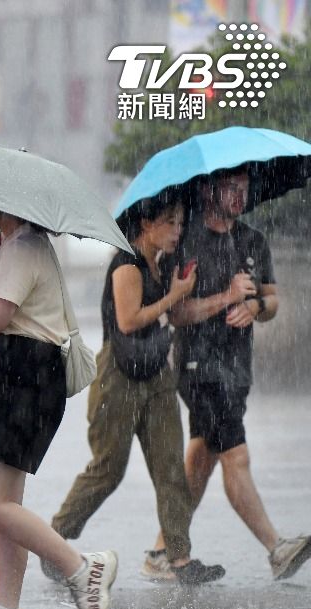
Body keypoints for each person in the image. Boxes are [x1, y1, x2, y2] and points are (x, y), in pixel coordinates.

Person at [0, 207, 115, 609]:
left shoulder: (21, 248)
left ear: (2, 204)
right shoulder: (29, 246)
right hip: (28, 377)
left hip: (20, 377)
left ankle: (80, 568)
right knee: (6, 506)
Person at [43, 192, 225, 585]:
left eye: (180, 223)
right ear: (146, 224)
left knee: (170, 467)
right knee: (109, 469)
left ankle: (179, 557)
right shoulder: (126, 264)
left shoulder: (160, 266)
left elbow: (170, 315)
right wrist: (175, 296)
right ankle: (54, 538)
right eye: (169, 223)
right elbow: (128, 321)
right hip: (119, 378)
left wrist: (204, 296)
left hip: (157, 373)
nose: (178, 231)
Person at [159, 169, 309, 581]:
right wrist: (226, 296)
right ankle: (276, 548)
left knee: (202, 458)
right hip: (197, 366)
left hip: (236, 368)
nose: (239, 196)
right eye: (231, 188)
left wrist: (256, 306)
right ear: (208, 190)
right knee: (235, 455)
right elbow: (176, 312)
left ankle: (162, 549)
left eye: (244, 189)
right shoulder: (186, 241)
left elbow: (274, 299)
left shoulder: (252, 241)